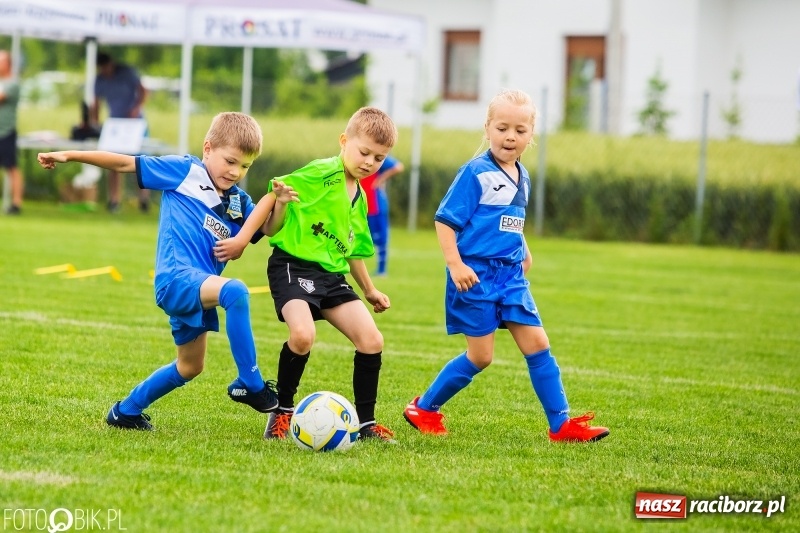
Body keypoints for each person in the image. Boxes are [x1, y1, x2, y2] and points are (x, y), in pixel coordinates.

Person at [38, 112, 297, 431]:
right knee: (236, 291)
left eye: (245, 166)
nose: (235, 171)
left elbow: (268, 226)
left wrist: (281, 202)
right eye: (230, 161)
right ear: (208, 148)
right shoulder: (185, 171)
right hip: (176, 279)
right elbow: (123, 164)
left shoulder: (237, 202)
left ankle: (125, 411)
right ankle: (250, 382)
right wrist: (69, 154)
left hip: (198, 288)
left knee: (189, 367)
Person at [402, 90, 610, 443]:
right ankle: (424, 408)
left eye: (520, 130)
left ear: (531, 135)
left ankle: (561, 426)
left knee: (538, 344)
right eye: (502, 128)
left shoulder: (522, 175)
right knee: (481, 357)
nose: (510, 136)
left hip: (511, 276)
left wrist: (523, 249)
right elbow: (445, 221)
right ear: (487, 128)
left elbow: (510, 219)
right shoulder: (475, 173)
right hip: (475, 276)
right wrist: (455, 264)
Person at [214, 106, 398, 444]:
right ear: (344, 141)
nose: (370, 162)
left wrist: (370, 290)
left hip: (332, 277)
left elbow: (351, 251)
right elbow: (273, 195)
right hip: (293, 267)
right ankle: (282, 412)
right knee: (302, 335)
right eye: (364, 152)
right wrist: (242, 240)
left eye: (380, 157)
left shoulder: (358, 197)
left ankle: (366, 424)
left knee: (372, 341)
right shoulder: (323, 172)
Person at [91, 51, 151, 213]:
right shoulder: (100, 80)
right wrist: (94, 123)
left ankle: (143, 200)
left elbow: (144, 91)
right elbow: (96, 103)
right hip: (116, 125)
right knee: (114, 163)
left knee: (140, 162)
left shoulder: (127, 72)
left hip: (135, 123)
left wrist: (136, 108)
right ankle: (114, 200)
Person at [360, 154, 404, 276]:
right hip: (360, 204)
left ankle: (381, 270)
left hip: (376, 205)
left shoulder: (376, 156)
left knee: (380, 238)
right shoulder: (357, 155)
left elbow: (398, 167)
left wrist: (381, 179)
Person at [0, 50, 23, 215]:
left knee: (11, 167)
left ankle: (16, 203)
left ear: (8, 64)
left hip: (6, 131)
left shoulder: (12, 84)